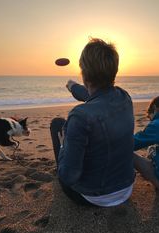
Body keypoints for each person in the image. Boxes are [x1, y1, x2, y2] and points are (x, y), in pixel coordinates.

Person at [50, 38, 135, 207]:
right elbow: (94, 95)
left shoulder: (80, 116)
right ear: (114, 70)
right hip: (125, 189)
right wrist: (72, 86)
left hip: (93, 197)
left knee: (57, 125)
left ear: (84, 74)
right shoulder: (124, 97)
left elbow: (69, 176)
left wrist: (62, 146)